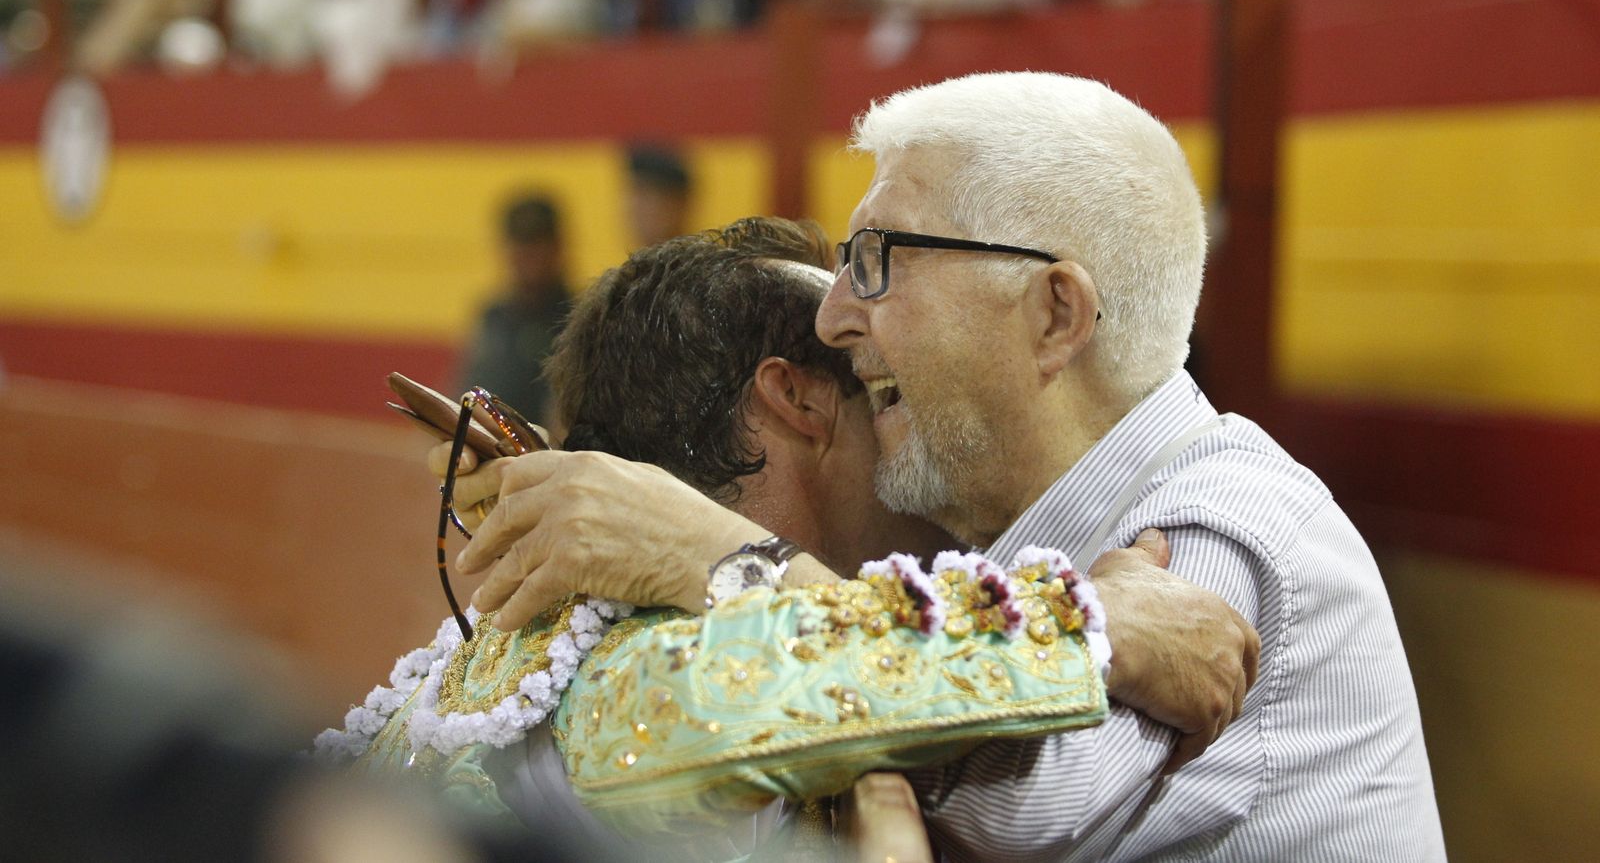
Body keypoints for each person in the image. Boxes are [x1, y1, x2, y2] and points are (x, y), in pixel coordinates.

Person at [443, 73, 1446, 859]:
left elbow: (1031, 798)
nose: (839, 312)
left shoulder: (1225, 513)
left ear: (1054, 313)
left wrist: (722, 557)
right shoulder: (1013, 539)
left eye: (879, 257)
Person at [333, 217, 1258, 853]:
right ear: (803, 400)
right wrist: (1104, 623)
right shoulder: (638, 646)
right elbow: (778, 679)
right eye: (880, 393)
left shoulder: (556, 628)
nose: (910, 442)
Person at [458, 193, 572, 430]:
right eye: (520, 243)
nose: (527, 256)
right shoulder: (493, 316)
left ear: (558, 246)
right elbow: (465, 387)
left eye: (536, 243)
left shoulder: (577, 318)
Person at [624, 142, 692, 248]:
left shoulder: (708, 262)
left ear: (679, 203)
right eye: (633, 193)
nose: (635, 207)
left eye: (646, 194)